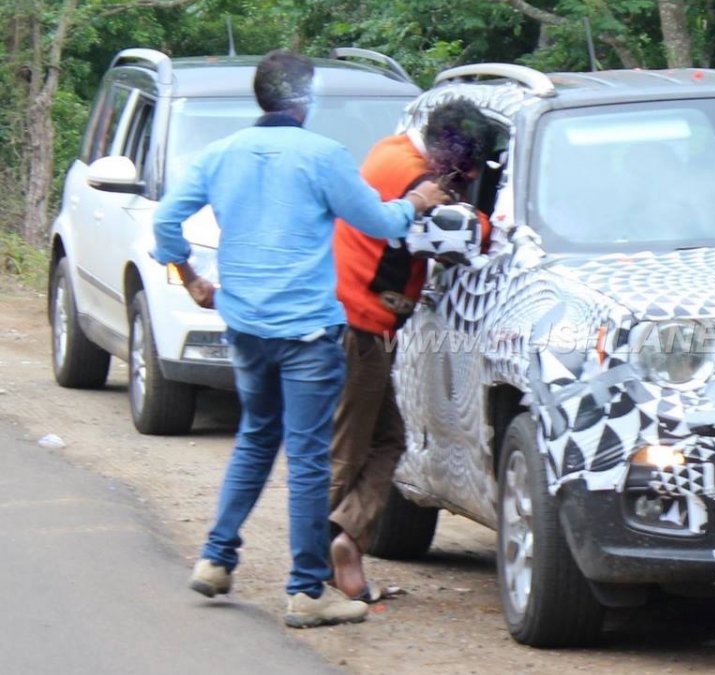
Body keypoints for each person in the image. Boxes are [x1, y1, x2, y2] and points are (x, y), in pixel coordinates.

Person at [151, 50, 449, 628]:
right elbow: (383, 225)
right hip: (309, 334)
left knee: (256, 439)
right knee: (309, 459)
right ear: (303, 99)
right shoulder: (322, 157)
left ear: (261, 98)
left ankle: (216, 559)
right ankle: (306, 591)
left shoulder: (220, 155)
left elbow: (166, 221)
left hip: (246, 327)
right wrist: (415, 202)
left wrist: (189, 277)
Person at [329, 100, 496, 600]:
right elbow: (466, 235)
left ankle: (344, 540)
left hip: (360, 324)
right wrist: (489, 220)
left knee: (384, 441)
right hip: (361, 327)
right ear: (450, 152)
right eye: (465, 171)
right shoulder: (412, 178)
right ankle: (313, 564)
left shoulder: (389, 151)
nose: (465, 179)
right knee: (349, 451)